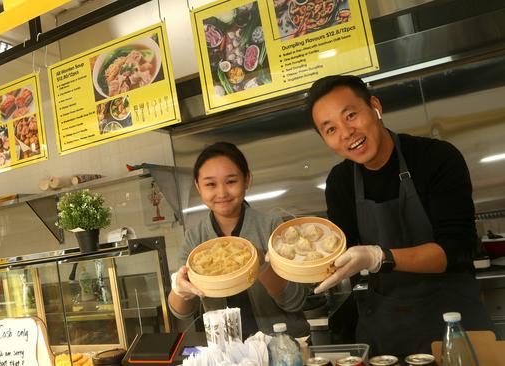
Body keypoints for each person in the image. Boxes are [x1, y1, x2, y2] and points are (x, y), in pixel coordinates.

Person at [307, 75, 494, 357]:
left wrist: (379, 257)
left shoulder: (435, 157)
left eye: (351, 115)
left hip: (454, 327)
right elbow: (338, 250)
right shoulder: (341, 181)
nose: (346, 132)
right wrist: (296, 259)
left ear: (375, 106)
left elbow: (455, 250)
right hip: (388, 332)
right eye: (331, 129)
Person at [168, 142, 310, 338]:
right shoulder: (195, 238)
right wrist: (180, 288)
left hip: (281, 347)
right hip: (228, 353)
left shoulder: (272, 227)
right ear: (198, 187)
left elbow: (296, 301)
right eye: (210, 184)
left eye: (231, 181)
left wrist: (262, 266)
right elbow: (181, 312)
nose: (222, 193)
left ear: (247, 180)